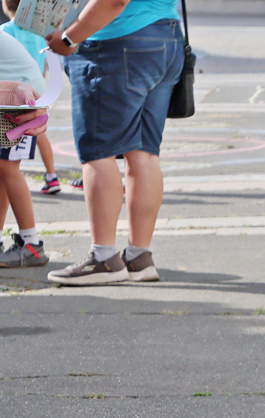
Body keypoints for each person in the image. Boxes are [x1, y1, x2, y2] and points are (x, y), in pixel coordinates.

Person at [45, 0, 183, 285]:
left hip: (115, 41)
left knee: (98, 152)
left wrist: (70, 37)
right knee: (144, 151)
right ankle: (138, 256)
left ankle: (105, 258)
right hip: (164, 34)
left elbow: (113, 1)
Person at [0, 36, 49, 269]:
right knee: (3, 170)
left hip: (21, 102)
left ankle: (31, 243)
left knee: (8, 169)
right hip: (17, 95)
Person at [1, 0, 59, 193]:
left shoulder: (6, 30)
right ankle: (52, 174)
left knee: (9, 168)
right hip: (34, 90)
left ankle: (51, 176)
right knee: (40, 135)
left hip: (16, 98)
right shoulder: (37, 33)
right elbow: (41, 65)